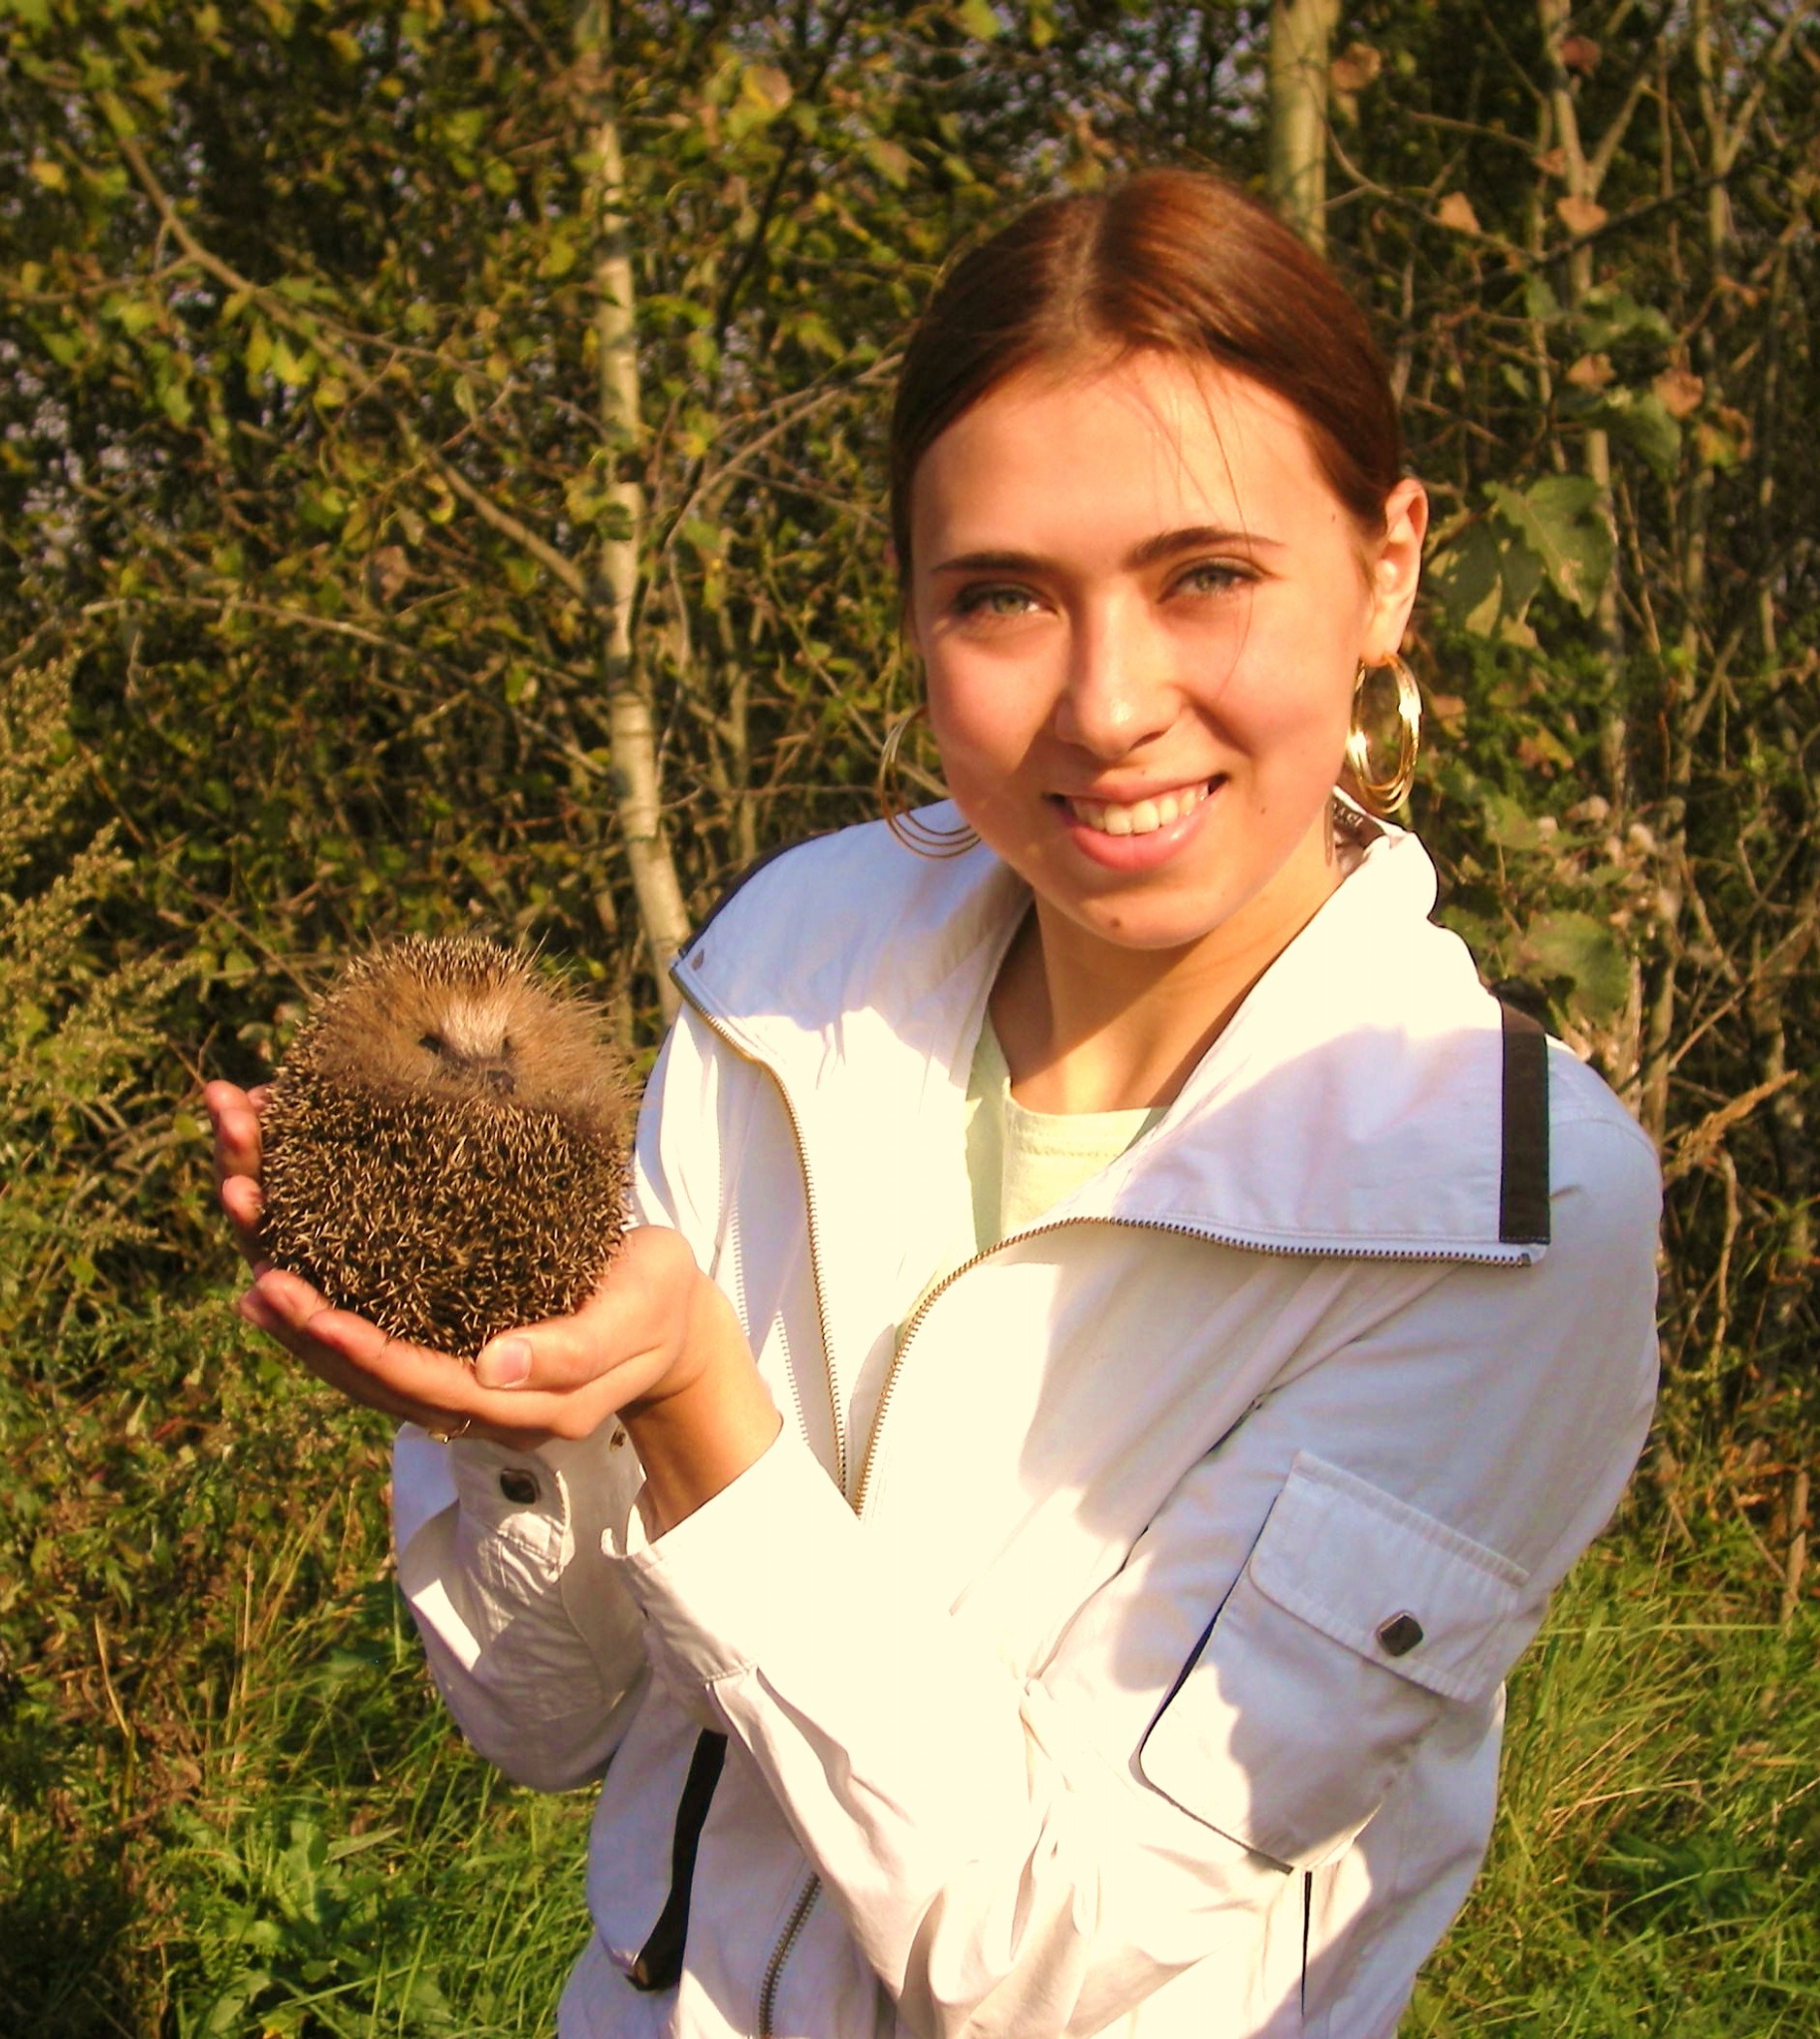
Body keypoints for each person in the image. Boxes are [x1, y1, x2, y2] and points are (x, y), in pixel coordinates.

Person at [206, 168, 1661, 2039]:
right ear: (910, 607)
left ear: (1387, 567)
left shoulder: (1500, 1206)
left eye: (1207, 576)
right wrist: (497, 1393)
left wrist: (694, 1402)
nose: (1109, 705)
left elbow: (1050, 1959)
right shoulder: (789, 975)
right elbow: (547, 1720)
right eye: (1003, 598)